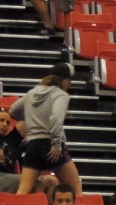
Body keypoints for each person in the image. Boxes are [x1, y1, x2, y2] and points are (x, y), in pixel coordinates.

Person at [9, 63, 82, 196]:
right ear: (64, 80)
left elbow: (13, 110)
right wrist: (55, 144)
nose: (70, 84)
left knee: (22, 191)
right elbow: (56, 119)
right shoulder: (61, 95)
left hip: (32, 144)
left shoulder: (32, 93)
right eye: (69, 80)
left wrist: (32, 117)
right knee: (76, 190)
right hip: (51, 144)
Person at [0, 108, 53, 196]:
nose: (5, 124)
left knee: (50, 180)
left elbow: (28, 119)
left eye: (8, 122)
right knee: (36, 182)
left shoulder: (12, 140)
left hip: (11, 178)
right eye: (1, 120)